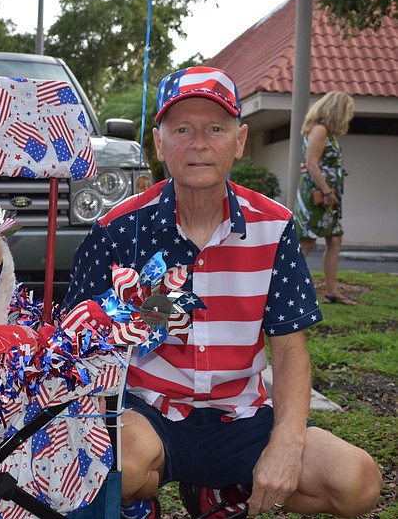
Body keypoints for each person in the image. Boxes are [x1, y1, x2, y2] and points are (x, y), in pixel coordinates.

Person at [63, 67, 381, 519]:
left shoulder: (275, 226)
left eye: (215, 128)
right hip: (148, 414)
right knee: (113, 465)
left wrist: (286, 444)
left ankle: (221, 489)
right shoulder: (116, 229)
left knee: (357, 483)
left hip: (243, 417)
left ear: (240, 139)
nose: (199, 143)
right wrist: (101, 446)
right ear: (159, 142)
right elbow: (78, 345)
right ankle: (139, 496)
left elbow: (289, 348)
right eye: (182, 129)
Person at [294, 91, 357, 305]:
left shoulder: (326, 132)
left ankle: (332, 292)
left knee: (334, 239)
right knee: (306, 242)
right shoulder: (319, 130)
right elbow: (312, 164)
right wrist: (328, 191)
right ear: (336, 110)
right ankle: (290, 292)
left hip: (326, 193)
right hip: (318, 195)